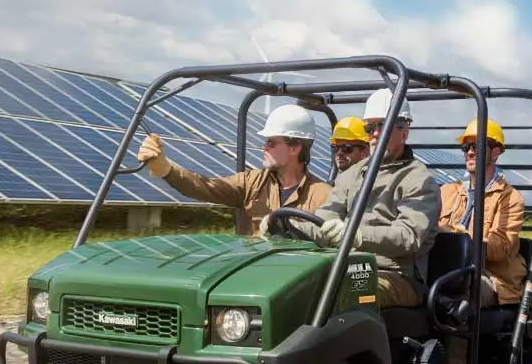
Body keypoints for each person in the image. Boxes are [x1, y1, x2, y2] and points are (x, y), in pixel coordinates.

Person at [265, 88, 440, 308]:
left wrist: (356, 236)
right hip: (345, 266)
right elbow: (324, 221)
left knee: (343, 294)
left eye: (382, 126)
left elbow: (409, 236)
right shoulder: (352, 175)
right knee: (285, 284)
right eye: (370, 127)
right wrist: (284, 224)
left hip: (393, 276)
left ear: (404, 132)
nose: (375, 133)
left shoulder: (418, 179)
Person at [438, 118, 529, 364]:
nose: (470, 152)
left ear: (496, 152)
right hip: (448, 269)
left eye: (478, 145)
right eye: (466, 146)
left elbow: (502, 247)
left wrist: (463, 239)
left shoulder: (510, 199)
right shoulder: (448, 192)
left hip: (491, 278)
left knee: (458, 296)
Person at [135, 103, 332, 236]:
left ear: (294, 148)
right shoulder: (252, 183)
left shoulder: (323, 195)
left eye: (271, 142)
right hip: (249, 276)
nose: (265, 147)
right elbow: (205, 187)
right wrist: (165, 169)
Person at [329, 115, 371, 181]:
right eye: (336, 148)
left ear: (364, 152)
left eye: (346, 148)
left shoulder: (368, 184)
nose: (339, 153)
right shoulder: (334, 185)